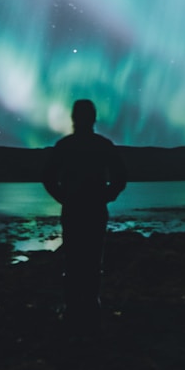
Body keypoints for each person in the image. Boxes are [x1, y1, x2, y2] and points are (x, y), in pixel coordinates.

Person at [42, 98, 127, 329]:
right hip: (94, 209)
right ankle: (90, 307)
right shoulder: (102, 145)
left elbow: (48, 177)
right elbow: (120, 177)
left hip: (74, 209)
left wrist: (63, 197)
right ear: (93, 118)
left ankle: (73, 308)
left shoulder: (65, 146)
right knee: (92, 259)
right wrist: (107, 195)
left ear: (74, 118)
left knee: (73, 260)